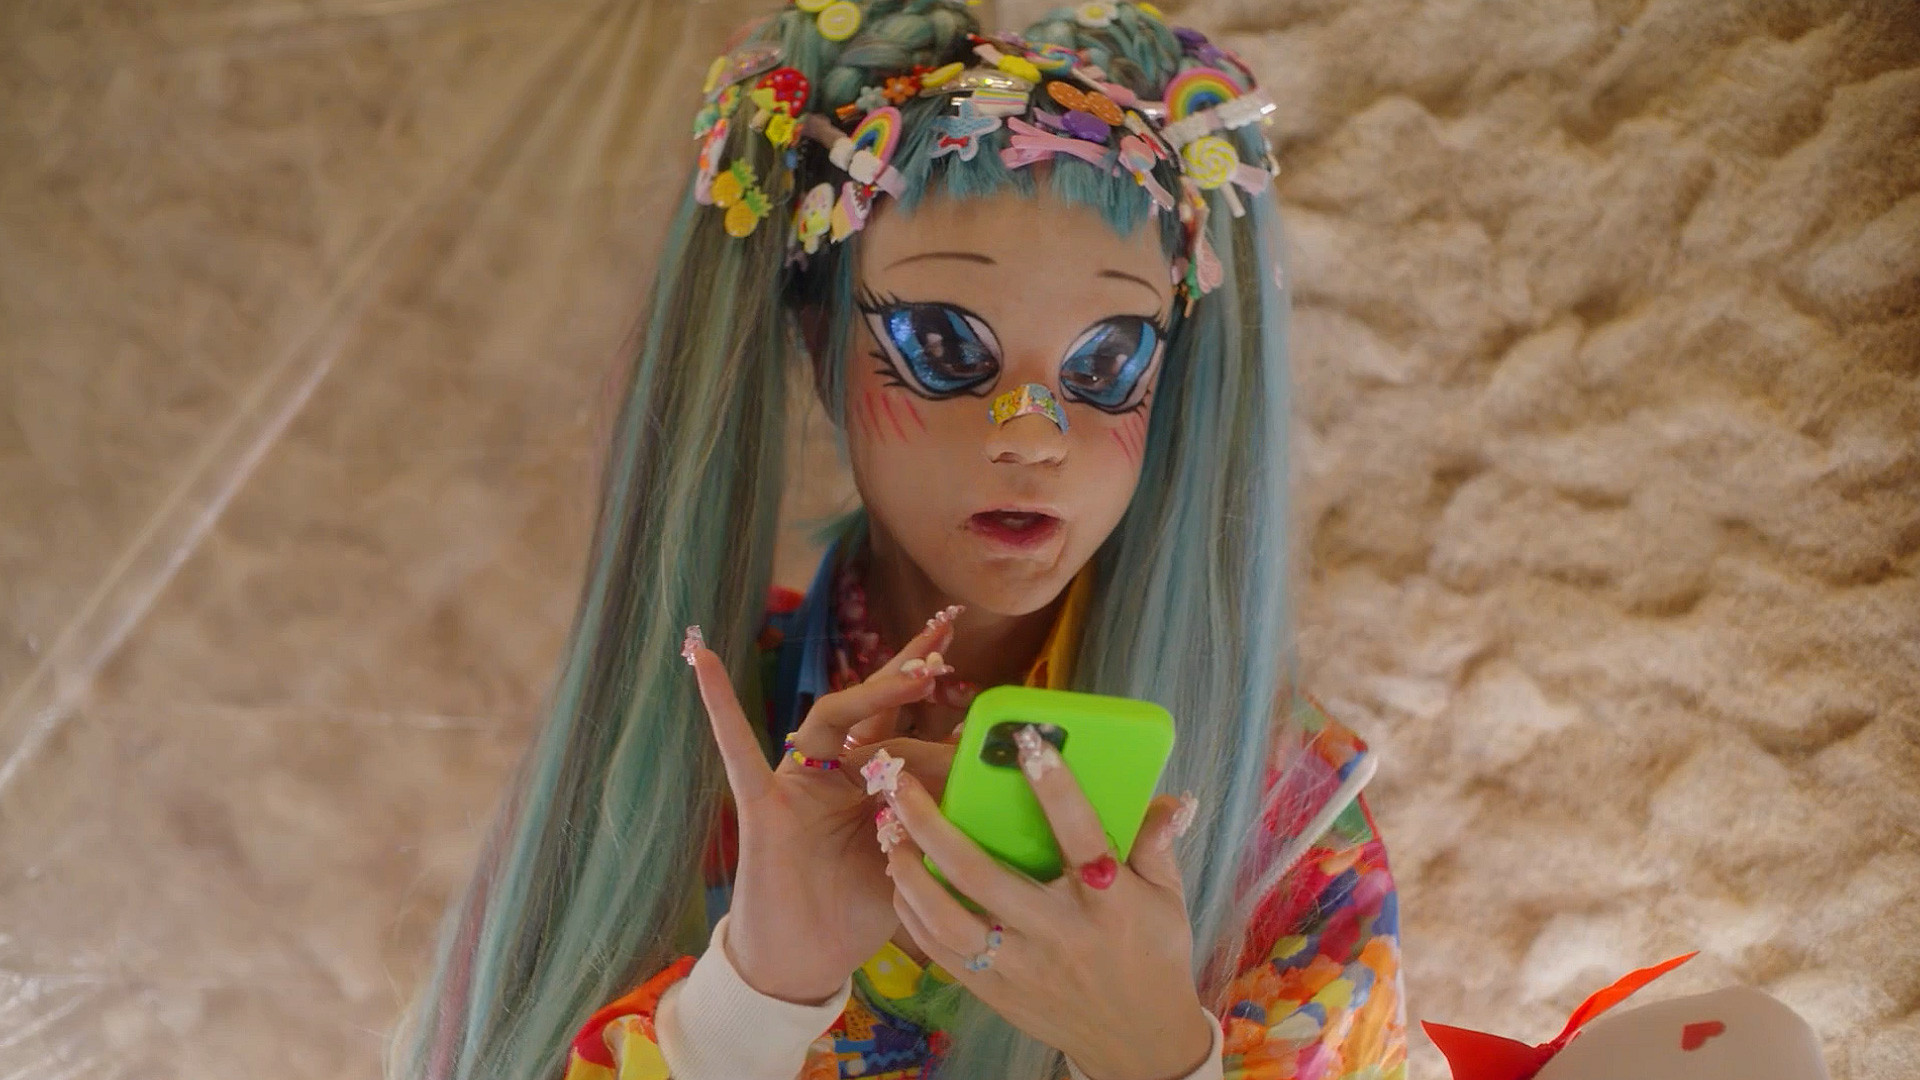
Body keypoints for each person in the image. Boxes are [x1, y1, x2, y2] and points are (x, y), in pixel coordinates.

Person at [390, 3, 1404, 1078]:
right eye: (942, 345)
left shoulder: (1279, 801)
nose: (1032, 437)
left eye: (1107, 361)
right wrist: (750, 1002)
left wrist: (1156, 1053)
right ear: (821, 337)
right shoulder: (679, 750)